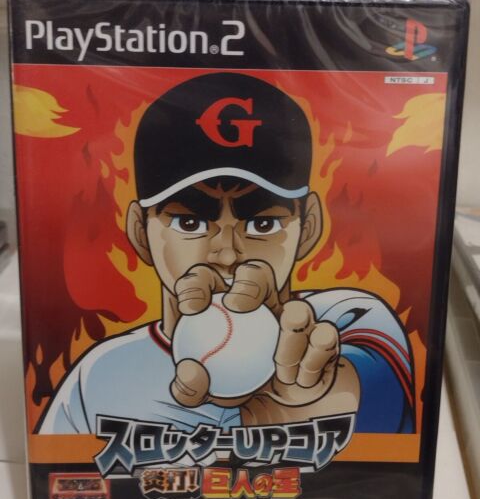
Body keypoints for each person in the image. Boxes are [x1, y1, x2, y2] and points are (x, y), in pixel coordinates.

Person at [39, 72, 414, 435]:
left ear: (308, 227)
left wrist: (316, 402)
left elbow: (379, 401)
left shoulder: (350, 317)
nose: (227, 254)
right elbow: (60, 473)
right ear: (140, 232)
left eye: (262, 224)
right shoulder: (97, 377)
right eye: (190, 223)